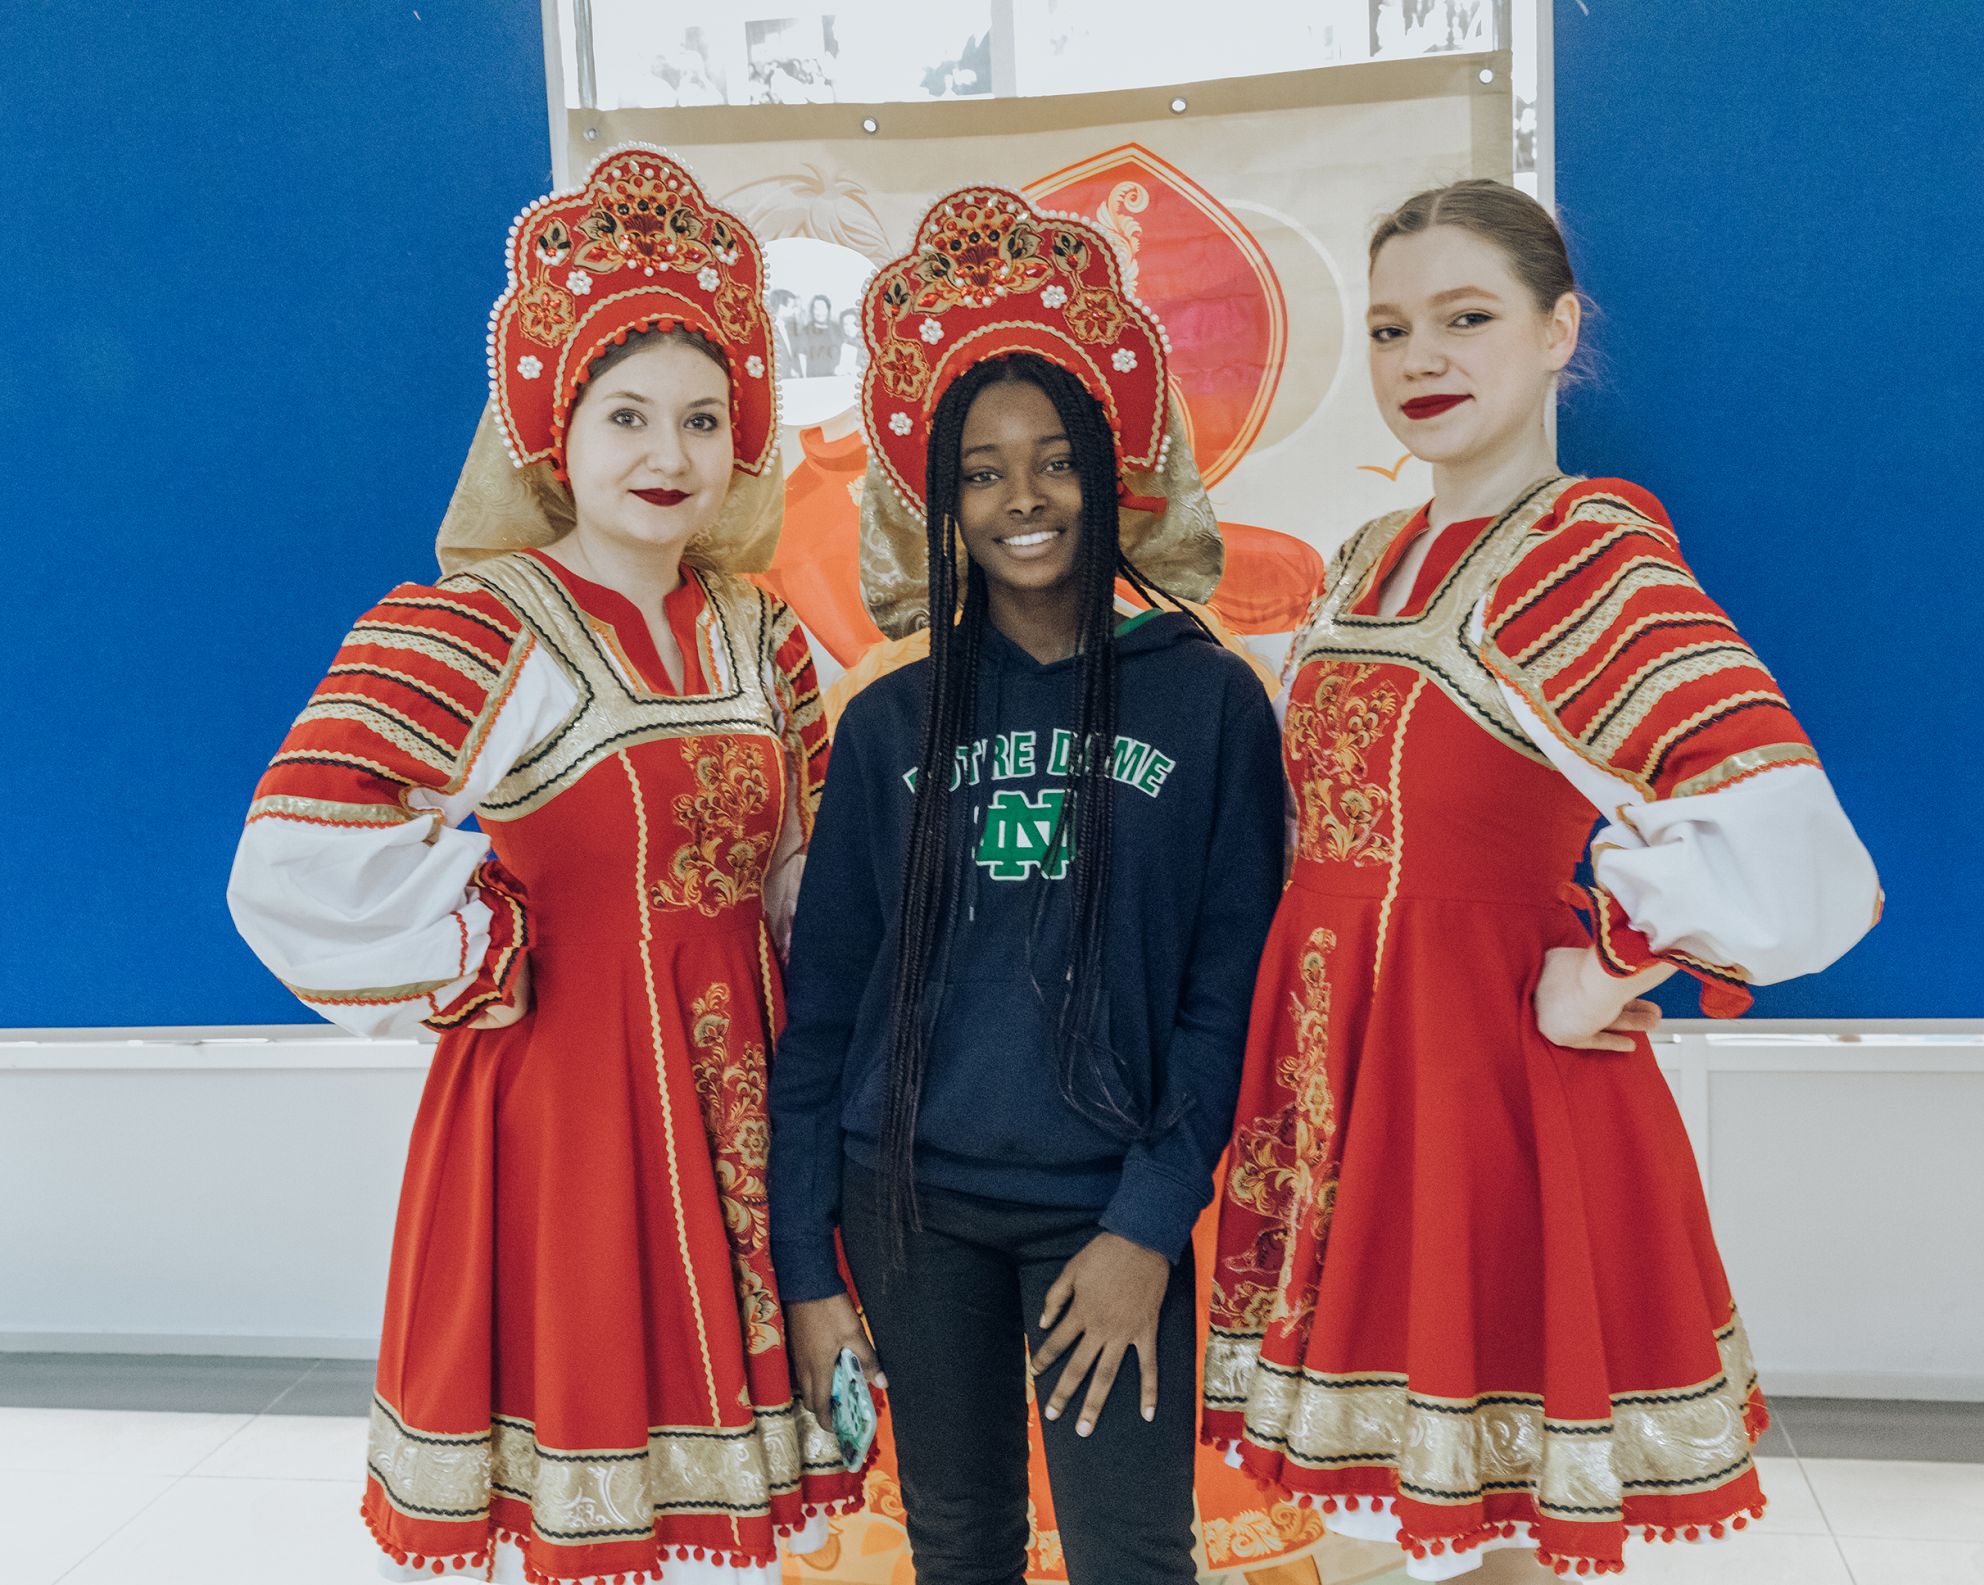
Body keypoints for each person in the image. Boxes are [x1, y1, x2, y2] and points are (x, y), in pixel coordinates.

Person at [1201, 178, 1882, 1579]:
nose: (1421, 359)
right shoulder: (1370, 557)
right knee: (1415, 1508)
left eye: (1467, 318)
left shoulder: (1580, 553)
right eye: (1391, 329)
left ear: (1558, 329)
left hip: (1478, 1072)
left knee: (1497, 1499)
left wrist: (1614, 961)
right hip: (1337, 1067)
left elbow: (1795, 848)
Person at [226, 147, 860, 1584]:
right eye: (626, 414)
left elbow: (804, 876)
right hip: (567, 1098)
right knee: (590, 1479)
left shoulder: (759, 633)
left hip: (748, 1095)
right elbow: (291, 857)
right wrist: (485, 942)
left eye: (703, 419)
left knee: (735, 1522)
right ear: (554, 433)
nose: (667, 454)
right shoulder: (479, 624)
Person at [766, 186, 1287, 1584]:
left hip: (1103, 1207)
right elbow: (823, 1015)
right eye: (984, 472)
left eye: (1054, 462)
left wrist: (1146, 1226)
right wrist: (806, 1265)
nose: (1023, 500)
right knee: (959, 1547)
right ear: (943, 501)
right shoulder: (891, 720)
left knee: (1133, 1554)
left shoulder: (1210, 703)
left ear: (1109, 475)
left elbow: (1225, 1000)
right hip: (906, 1205)